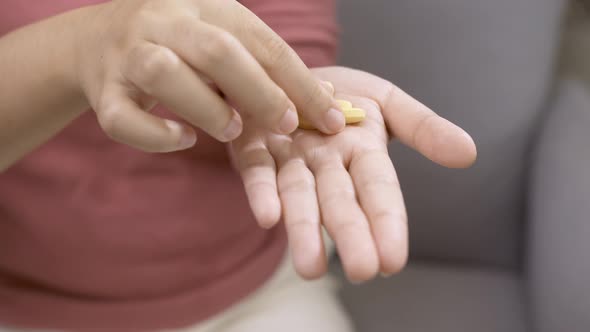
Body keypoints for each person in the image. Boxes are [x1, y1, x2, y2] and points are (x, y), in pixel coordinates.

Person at [0, 0, 476, 331]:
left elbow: (287, 47)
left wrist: (294, 88)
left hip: (254, 293)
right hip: (24, 304)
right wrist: (77, 46)